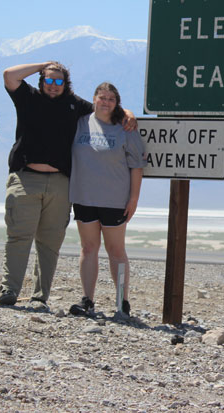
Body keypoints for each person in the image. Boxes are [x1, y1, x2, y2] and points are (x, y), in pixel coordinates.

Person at [0, 62, 137, 311]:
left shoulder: (75, 105)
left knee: (50, 242)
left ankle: (41, 297)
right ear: (42, 80)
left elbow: (105, 108)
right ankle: (10, 290)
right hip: (27, 178)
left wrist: (127, 112)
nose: (53, 85)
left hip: (63, 184)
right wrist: (45, 64)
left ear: (66, 84)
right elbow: (9, 75)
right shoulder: (28, 97)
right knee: (20, 236)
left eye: (59, 81)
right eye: (49, 80)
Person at [68, 82, 145, 318]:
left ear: (117, 103)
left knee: (116, 250)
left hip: (114, 200)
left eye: (111, 99)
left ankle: (122, 302)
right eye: (102, 98)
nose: (106, 102)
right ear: (94, 99)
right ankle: (87, 300)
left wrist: (133, 198)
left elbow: (137, 165)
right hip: (84, 197)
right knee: (88, 247)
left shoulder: (125, 128)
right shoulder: (80, 122)